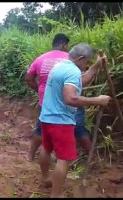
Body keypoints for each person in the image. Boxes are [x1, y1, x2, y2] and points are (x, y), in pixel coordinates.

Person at [39, 43, 111, 197]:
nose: (86, 65)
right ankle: (55, 195)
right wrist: (97, 100)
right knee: (63, 159)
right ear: (80, 58)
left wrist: (96, 66)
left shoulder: (60, 66)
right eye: (87, 62)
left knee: (46, 148)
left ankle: (45, 178)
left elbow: (79, 81)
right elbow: (71, 98)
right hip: (61, 122)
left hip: (47, 117)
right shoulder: (72, 71)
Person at [25, 33, 100, 161]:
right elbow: (80, 82)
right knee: (79, 130)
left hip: (47, 103)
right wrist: (95, 67)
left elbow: (28, 78)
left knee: (41, 131)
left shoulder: (40, 59)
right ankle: (92, 158)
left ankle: (30, 155)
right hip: (67, 106)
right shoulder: (69, 61)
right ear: (64, 45)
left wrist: (41, 90)